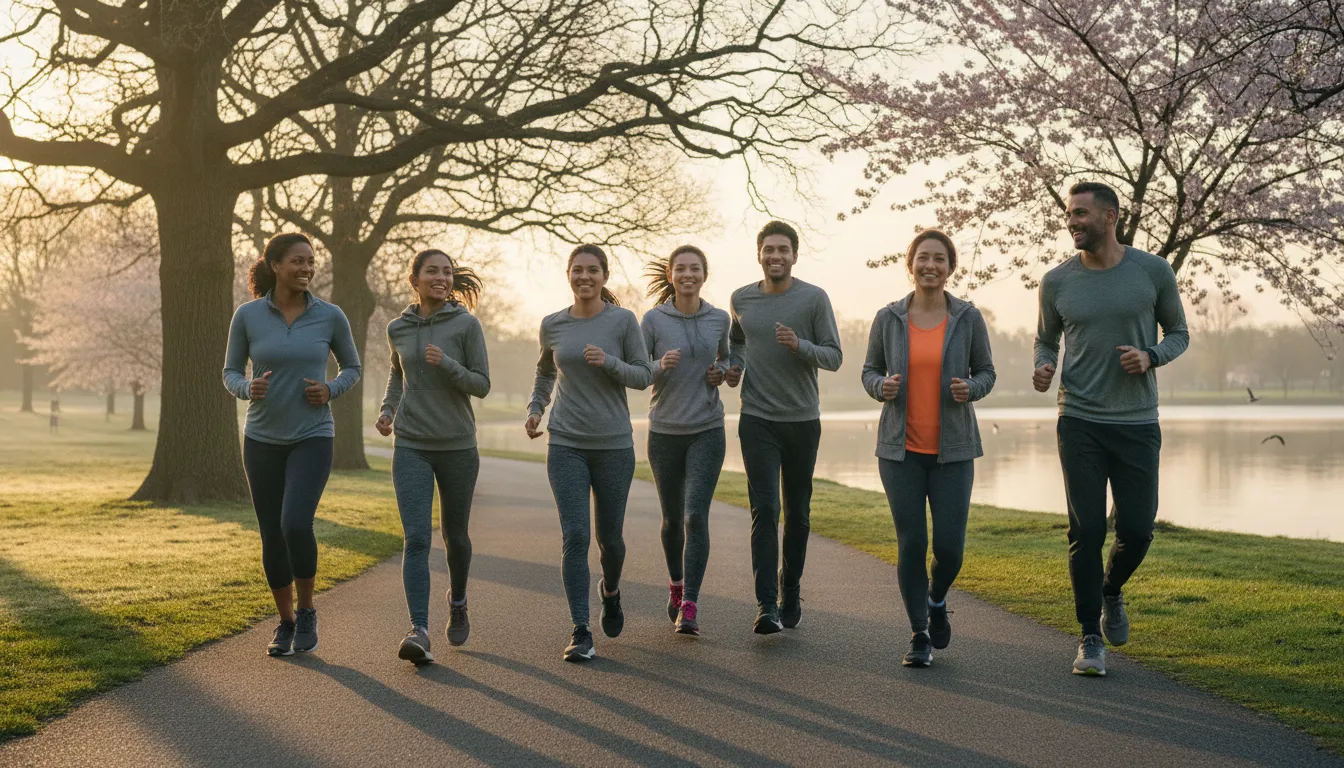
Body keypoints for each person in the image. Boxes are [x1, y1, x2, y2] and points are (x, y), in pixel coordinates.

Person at [1033, 182, 1190, 677]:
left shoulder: (1153, 271)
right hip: (1078, 418)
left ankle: (1111, 591)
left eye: (1080, 213)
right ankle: (1089, 638)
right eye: (1068, 214)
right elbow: (1045, 341)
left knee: (1139, 530)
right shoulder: (1057, 281)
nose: (1072, 221)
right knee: (1087, 530)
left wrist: (1151, 356)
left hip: (1137, 421)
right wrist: (1043, 367)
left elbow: (1179, 334)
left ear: (1110, 216)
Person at [223, 233, 362, 657]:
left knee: (295, 524)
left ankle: (306, 611)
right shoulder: (247, 316)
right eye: (298, 261)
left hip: (312, 435)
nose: (306, 269)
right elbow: (229, 372)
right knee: (270, 533)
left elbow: (352, 366)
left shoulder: (330, 315)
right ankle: (284, 622)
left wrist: (331, 388)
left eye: (311, 262)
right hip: (262, 438)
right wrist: (248, 388)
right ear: (276, 265)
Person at [861, 229, 995, 668]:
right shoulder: (889, 317)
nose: (930, 266)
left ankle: (937, 600)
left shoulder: (968, 317)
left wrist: (970, 388)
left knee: (951, 548)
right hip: (899, 452)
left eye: (939, 259)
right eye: (923, 258)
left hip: (953, 451)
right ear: (911, 263)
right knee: (912, 542)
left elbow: (987, 372)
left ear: (950, 267)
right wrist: (881, 386)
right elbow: (869, 371)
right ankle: (919, 632)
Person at [526, 244, 656, 661]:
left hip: (614, 445)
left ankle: (611, 591)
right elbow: (545, 372)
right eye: (578, 271)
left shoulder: (622, 321)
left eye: (593, 271)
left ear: (604, 276)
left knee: (610, 540)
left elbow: (643, 375)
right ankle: (580, 629)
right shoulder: (553, 324)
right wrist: (535, 409)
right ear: (569, 275)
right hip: (565, 442)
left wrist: (610, 363)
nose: (585, 277)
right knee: (575, 535)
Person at [728, 220, 842, 634]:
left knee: (797, 513)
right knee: (765, 509)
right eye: (768, 249)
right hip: (756, 418)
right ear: (759, 254)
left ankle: (789, 586)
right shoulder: (741, 298)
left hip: (801, 421)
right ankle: (764, 605)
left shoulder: (813, 299)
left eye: (783, 250)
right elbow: (736, 341)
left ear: (795, 255)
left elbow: (834, 357)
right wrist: (734, 367)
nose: (776, 256)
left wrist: (800, 346)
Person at [376, 249, 490, 664]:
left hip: (458, 445)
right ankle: (419, 629)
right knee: (417, 538)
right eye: (432, 271)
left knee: (455, 537)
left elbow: (481, 384)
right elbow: (396, 373)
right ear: (416, 279)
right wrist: (388, 410)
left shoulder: (466, 325)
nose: (441, 277)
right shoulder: (398, 328)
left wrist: (449, 365)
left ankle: (457, 599)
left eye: (447, 272)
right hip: (411, 446)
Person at [640, 245, 732, 636]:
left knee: (696, 516)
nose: (688, 274)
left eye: (695, 268)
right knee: (672, 519)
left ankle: (690, 604)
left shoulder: (719, 319)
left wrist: (723, 371)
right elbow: (636, 371)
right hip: (664, 432)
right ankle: (676, 585)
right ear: (671, 275)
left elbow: (728, 358)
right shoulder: (653, 320)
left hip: (707, 429)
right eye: (681, 269)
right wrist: (659, 366)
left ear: (704, 275)